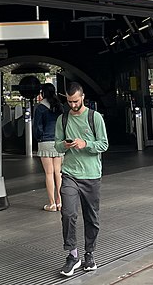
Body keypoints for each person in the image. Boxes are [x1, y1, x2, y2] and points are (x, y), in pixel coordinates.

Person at [55, 82, 109, 276]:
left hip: (92, 175)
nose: (72, 105)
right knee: (68, 213)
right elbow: (57, 146)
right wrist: (65, 145)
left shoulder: (95, 118)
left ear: (83, 97)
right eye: (69, 101)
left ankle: (90, 254)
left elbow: (103, 144)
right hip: (69, 173)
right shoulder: (62, 119)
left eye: (75, 101)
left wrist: (85, 144)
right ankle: (72, 255)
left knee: (91, 217)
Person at [34, 82, 64, 211]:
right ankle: (60, 202)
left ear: (43, 93)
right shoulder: (60, 106)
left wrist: (39, 137)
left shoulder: (40, 108)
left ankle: (51, 204)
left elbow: (37, 127)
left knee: (49, 173)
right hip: (58, 142)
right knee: (59, 173)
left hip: (45, 142)